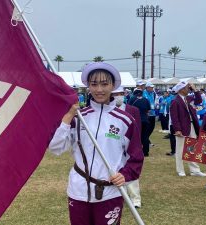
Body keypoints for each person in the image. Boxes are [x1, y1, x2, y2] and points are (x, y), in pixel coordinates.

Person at [48, 62, 144, 225]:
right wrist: (69, 115)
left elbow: (136, 157)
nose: (99, 89)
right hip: (78, 191)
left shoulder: (125, 120)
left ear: (113, 85)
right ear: (88, 86)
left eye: (105, 84)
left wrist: (125, 175)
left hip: (110, 192)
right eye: (94, 84)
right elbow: (55, 147)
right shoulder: (79, 118)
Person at [111, 87, 142, 208]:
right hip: (114, 145)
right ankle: (120, 197)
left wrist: (138, 143)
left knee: (131, 169)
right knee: (117, 171)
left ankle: (135, 199)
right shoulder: (108, 110)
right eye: (115, 94)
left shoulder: (133, 110)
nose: (118, 96)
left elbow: (138, 127)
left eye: (120, 94)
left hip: (130, 145)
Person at [170, 81, 206, 177]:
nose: (188, 89)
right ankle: (180, 170)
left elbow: (199, 101)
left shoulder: (189, 98)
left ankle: (195, 170)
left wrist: (195, 90)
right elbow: (174, 117)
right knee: (180, 150)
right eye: (186, 88)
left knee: (193, 148)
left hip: (192, 126)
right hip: (182, 128)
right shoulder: (175, 101)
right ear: (181, 90)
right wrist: (177, 129)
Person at [129, 88, 151, 156]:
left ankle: (136, 151)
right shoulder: (146, 99)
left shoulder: (132, 98)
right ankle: (146, 152)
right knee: (145, 136)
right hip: (145, 120)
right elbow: (148, 111)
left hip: (136, 120)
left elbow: (129, 109)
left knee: (136, 136)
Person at [143, 82, 156, 147]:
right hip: (147, 114)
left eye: (152, 87)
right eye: (151, 87)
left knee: (152, 128)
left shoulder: (153, 93)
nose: (152, 88)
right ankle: (146, 141)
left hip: (153, 113)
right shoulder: (144, 93)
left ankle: (146, 140)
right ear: (147, 87)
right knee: (147, 129)